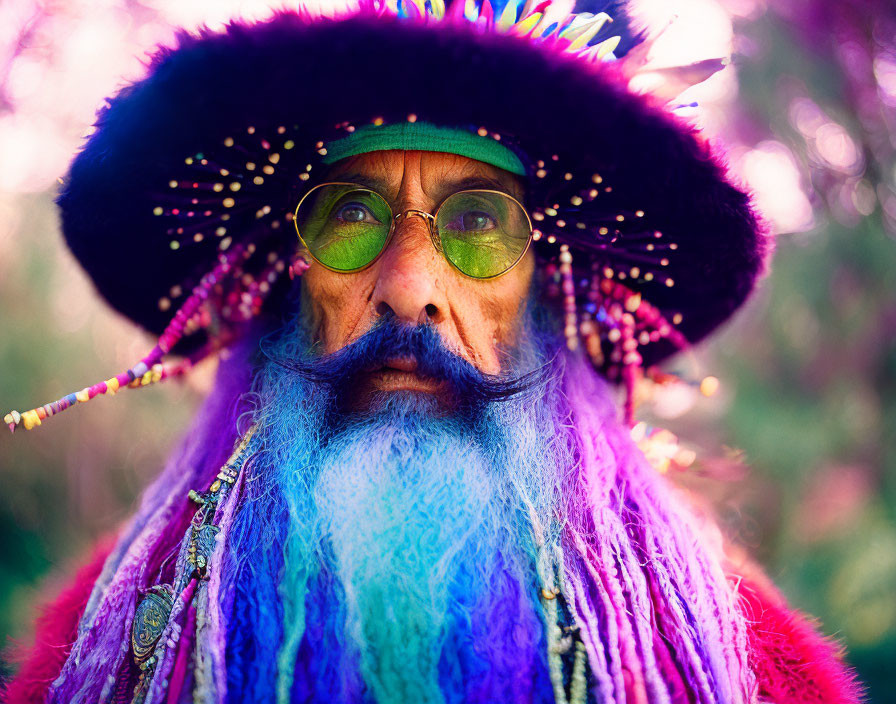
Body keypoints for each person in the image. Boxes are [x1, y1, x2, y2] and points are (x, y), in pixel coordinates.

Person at [3, 2, 863, 703]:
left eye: (481, 223)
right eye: (349, 215)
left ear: (547, 291)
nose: (409, 285)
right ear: (287, 284)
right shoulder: (124, 636)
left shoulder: (725, 657)